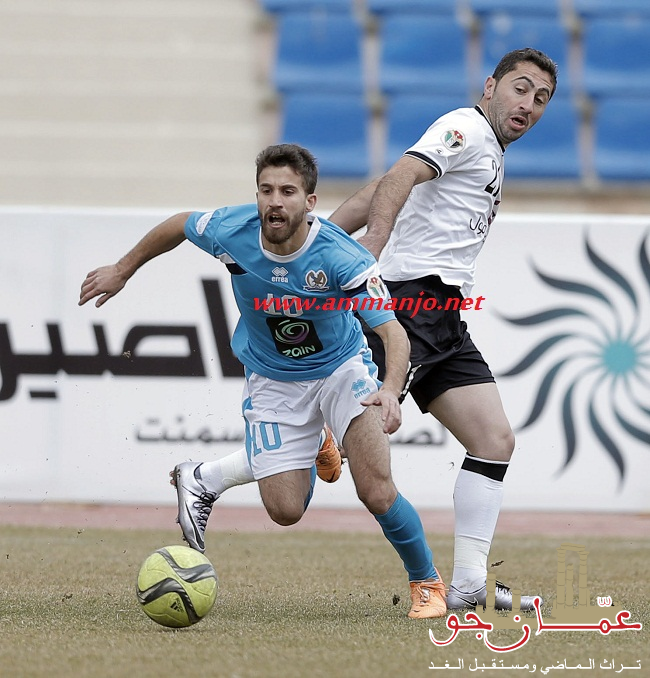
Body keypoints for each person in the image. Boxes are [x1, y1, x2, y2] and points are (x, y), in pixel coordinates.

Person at [196, 48, 556, 612]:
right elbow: (405, 174)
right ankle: (211, 477)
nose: (528, 104)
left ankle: (466, 587)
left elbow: (384, 183)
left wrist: (320, 243)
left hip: (443, 315)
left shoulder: (484, 148)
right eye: (520, 87)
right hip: (411, 303)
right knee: (358, 444)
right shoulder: (466, 128)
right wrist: (374, 243)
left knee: (493, 441)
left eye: (541, 98)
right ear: (490, 86)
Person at [78, 143, 447, 619]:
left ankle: (427, 583)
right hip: (273, 379)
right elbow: (179, 224)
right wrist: (121, 269)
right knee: (285, 511)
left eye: (287, 192)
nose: (275, 201)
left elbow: (393, 333)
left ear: (309, 203)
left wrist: (391, 390)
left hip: (342, 369)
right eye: (266, 190)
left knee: (375, 488)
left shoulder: (342, 256)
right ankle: (311, 443)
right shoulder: (233, 230)